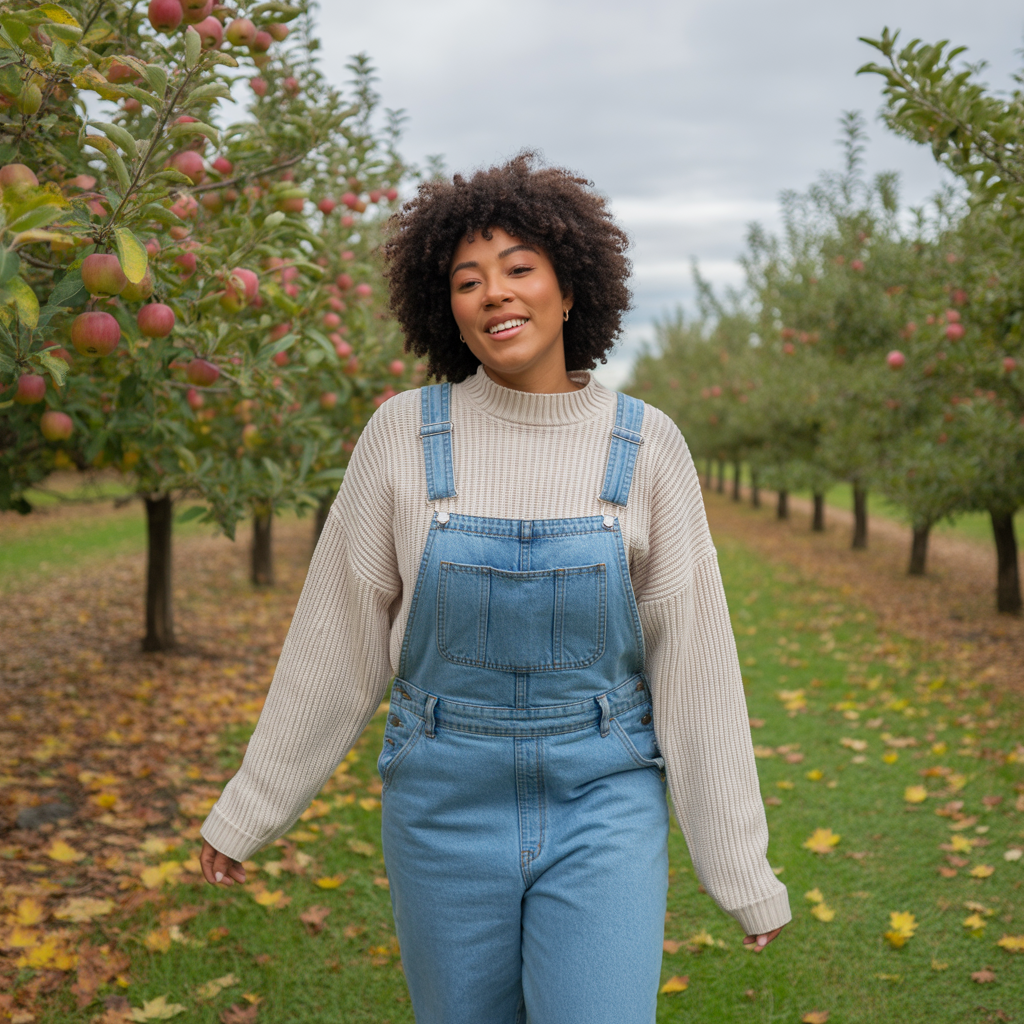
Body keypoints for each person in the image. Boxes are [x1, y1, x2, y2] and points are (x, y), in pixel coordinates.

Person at [198, 152, 790, 1023]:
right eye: (468, 281)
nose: (495, 294)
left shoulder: (646, 445)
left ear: (571, 287)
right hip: (441, 801)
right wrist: (251, 809)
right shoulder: (403, 436)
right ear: (450, 313)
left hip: (603, 797)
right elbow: (339, 638)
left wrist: (740, 864)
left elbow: (693, 660)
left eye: (519, 269)